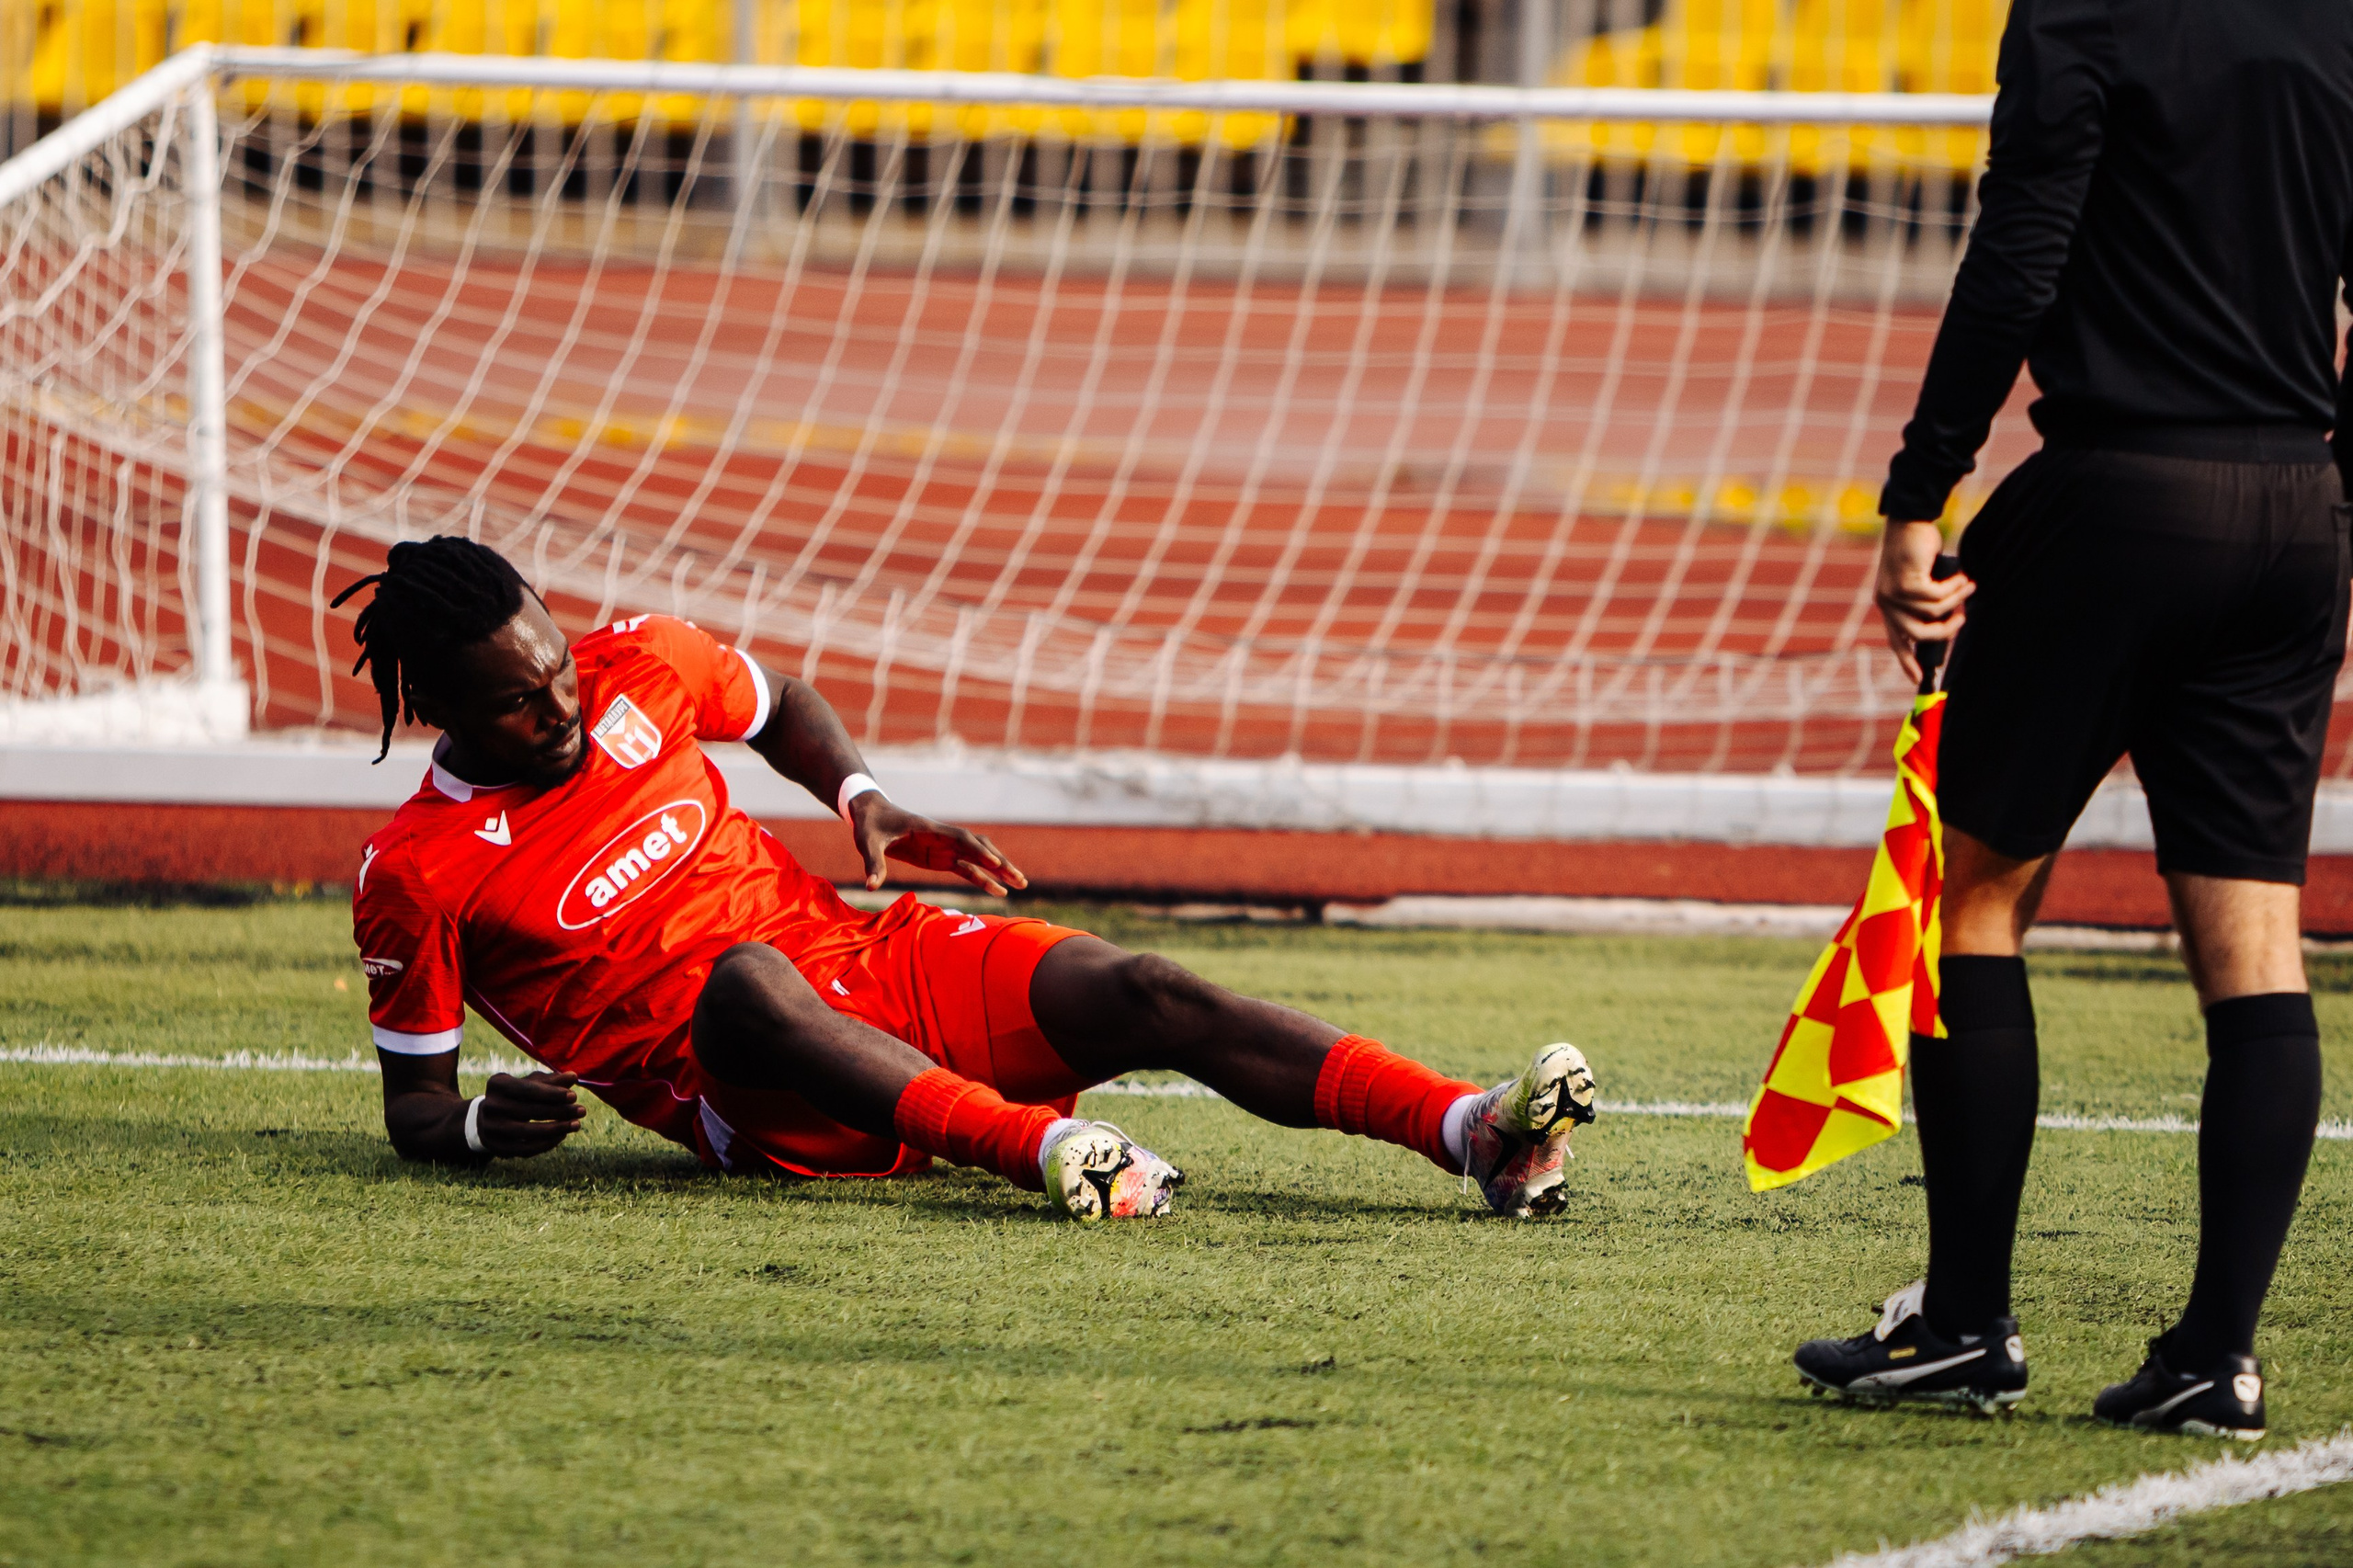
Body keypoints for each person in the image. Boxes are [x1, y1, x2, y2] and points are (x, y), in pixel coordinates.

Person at [335, 536, 1597, 1221]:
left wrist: (860, 793)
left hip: (870, 967)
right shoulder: (417, 869)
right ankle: (1043, 1152)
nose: (559, 703)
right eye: (517, 700)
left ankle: (1471, 1133)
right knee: (744, 983)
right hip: (754, 1088)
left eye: (555, 666)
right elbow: (416, 1114)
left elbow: (781, 704)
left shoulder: (638, 664)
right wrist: (478, 1130)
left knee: (1143, 983)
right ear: (441, 703)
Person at [1790, 0, 2353, 1438]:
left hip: (2116, 496)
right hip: (2297, 509)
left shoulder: (2084, 12)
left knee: (1964, 905)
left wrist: (1922, 487)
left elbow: (2021, 258)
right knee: (2256, 945)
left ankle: (1968, 1324)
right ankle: (2215, 1360)